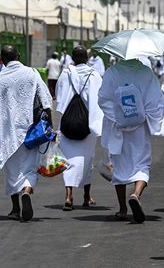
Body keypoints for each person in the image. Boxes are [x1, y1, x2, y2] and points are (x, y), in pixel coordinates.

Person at [98, 58, 164, 223]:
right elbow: (156, 101)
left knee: (118, 166)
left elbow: (103, 99)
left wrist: (118, 117)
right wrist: (148, 118)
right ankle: (136, 194)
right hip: (140, 128)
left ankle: (123, 209)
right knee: (142, 164)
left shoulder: (112, 72)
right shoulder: (146, 72)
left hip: (117, 127)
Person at [0, 45, 53, 222]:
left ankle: (15, 209)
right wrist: (50, 126)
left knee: (12, 172)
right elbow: (45, 99)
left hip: (8, 134)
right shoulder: (31, 73)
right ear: (19, 55)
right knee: (30, 168)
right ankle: (27, 191)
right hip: (30, 132)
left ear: (2, 59)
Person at [56, 46, 104, 211]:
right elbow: (100, 99)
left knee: (68, 160)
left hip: (68, 122)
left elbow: (59, 96)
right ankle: (86, 196)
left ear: (73, 59)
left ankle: (68, 195)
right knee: (87, 159)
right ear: (87, 58)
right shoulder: (95, 75)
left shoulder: (65, 74)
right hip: (87, 123)